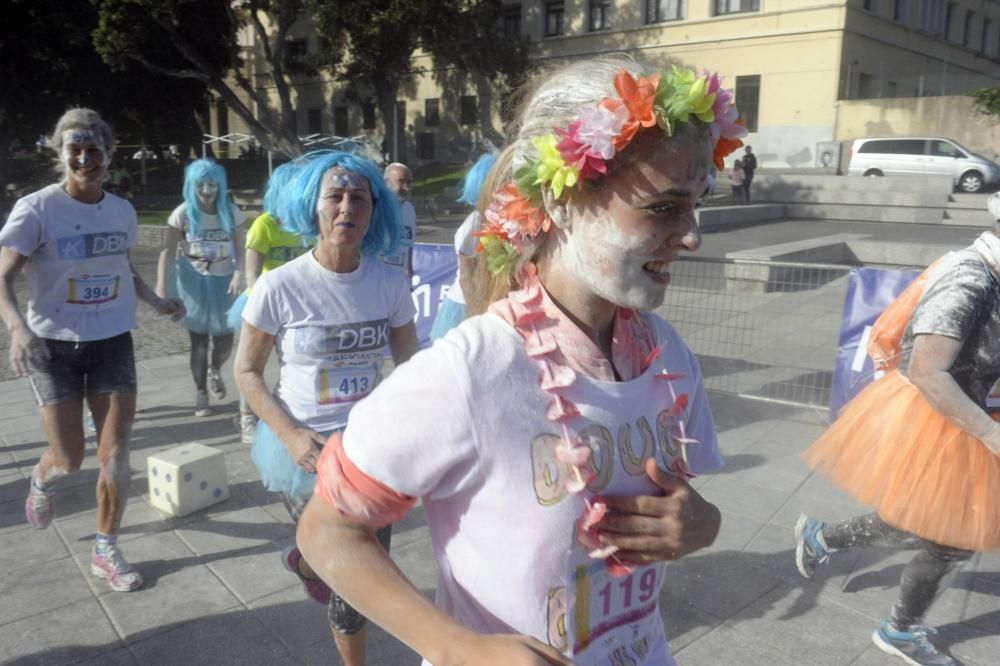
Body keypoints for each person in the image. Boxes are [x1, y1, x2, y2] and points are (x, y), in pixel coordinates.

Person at [295, 56, 747, 665]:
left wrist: (701, 525)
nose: (692, 234)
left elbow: (681, 503)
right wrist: (457, 648)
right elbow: (326, 530)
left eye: (698, 204)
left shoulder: (668, 355)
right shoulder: (471, 371)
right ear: (561, 202)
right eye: (664, 207)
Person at [234, 150, 418, 666]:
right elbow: (246, 372)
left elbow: (409, 368)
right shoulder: (279, 286)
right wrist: (291, 437)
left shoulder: (388, 283)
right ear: (312, 209)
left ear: (373, 210)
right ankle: (317, 575)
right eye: (333, 196)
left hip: (368, 450)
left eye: (358, 197)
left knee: (368, 562)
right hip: (304, 448)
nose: (346, 207)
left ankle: (310, 564)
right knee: (348, 572)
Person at [795, 202, 1000, 666]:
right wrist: (989, 434)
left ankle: (822, 538)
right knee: (951, 535)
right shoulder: (970, 279)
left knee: (921, 522)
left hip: (967, 418)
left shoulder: (993, 270)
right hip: (943, 423)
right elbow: (928, 370)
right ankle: (900, 630)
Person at [0, 108, 185, 592]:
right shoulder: (36, 209)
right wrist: (17, 328)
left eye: (94, 149)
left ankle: (106, 548)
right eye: (75, 149)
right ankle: (42, 480)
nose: (86, 158)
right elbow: (3, 277)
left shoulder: (121, 211)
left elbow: (123, 266)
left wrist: (156, 302)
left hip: (112, 342)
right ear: (60, 154)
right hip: (52, 348)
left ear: (108, 153)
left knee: (115, 453)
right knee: (69, 457)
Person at [227, 161, 315, 444]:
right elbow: (253, 275)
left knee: (292, 365)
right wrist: (259, 310)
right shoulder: (264, 224)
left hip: (298, 306)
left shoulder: (305, 226)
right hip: (263, 306)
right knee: (252, 366)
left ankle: (288, 412)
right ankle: (246, 416)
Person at [156, 159, 245, 417]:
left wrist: (239, 273)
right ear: (191, 186)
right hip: (192, 283)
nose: (207, 190)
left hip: (225, 281)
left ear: (220, 186)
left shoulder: (230, 212)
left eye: (212, 184)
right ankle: (201, 393)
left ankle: (215, 369)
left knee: (225, 341)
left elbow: (242, 248)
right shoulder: (182, 213)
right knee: (199, 342)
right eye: (201, 185)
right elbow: (168, 250)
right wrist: (162, 286)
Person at [428, 152, 497, 340]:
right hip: (464, 307)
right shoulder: (475, 223)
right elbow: (467, 277)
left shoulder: (493, 221)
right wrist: (477, 315)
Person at [381, 162, 416, 280]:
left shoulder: (409, 209)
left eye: (409, 182)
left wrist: (409, 272)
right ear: (386, 182)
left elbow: (409, 244)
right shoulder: (373, 209)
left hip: (401, 280)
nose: (406, 187)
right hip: (377, 279)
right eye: (401, 181)